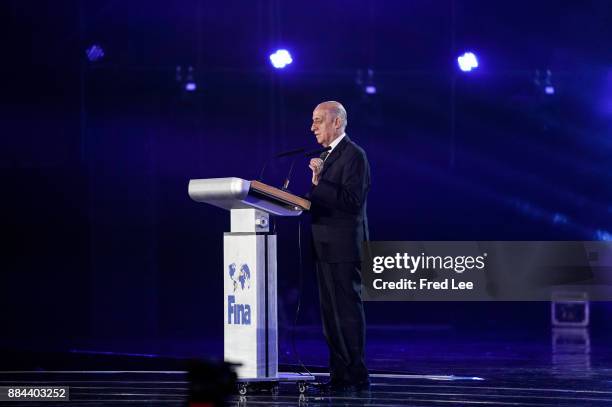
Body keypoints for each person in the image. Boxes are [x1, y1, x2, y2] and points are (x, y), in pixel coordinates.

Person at [307, 101, 371, 392]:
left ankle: (356, 372)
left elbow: (352, 201)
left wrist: (319, 181)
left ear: (337, 122)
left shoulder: (354, 155)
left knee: (345, 311)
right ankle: (339, 374)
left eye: (318, 120)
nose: (313, 127)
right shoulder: (327, 155)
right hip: (325, 246)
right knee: (330, 314)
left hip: (344, 248)